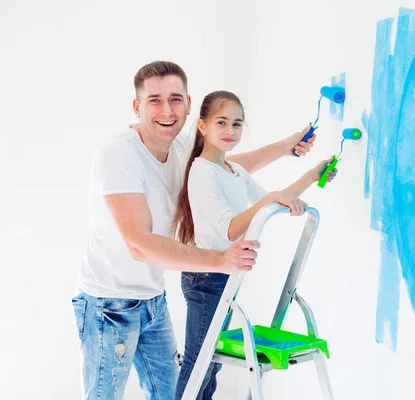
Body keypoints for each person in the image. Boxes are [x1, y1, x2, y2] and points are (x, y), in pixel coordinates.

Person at [71, 61, 317, 400]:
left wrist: (285, 147)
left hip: (152, 300)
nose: (167, 110)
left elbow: (225, 169)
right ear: (137, 106)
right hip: (108, 305)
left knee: (175, 392)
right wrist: (221, 260)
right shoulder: (119, 157)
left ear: (188, 103)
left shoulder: (180, 150)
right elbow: (139, 245)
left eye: (175, 99)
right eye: (154, 100)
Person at [172, 90, 336, 399]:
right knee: (199, 362)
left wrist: (313, 175)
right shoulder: (202, 172)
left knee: (211, 363)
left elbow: (272, 200)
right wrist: (272, 197)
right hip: (206, 279)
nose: (230, 131)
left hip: (226, 276)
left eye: (237, 124)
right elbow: (232, 228)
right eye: (221, 123)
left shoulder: (233, 170)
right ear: (203, 127)